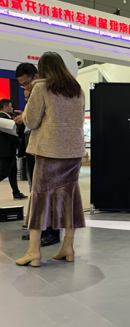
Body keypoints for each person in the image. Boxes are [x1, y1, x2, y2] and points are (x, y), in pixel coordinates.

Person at [15, 52, 86, 267]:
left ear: (42, 69)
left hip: (49, 151)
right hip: (73, 152)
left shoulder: (41, 87)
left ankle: (33, 252)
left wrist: (26, 107)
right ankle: (68, 248)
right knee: (69, 198)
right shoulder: (77, 89)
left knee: (40, 198)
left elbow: (31, 121)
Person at [14, 63, 61, 247]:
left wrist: (25, 117)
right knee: (36, 190)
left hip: (45, 147)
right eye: (22, 85)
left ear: (36, 76)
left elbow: (35, 120)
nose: (25, 87)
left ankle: (52, 231)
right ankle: (39, 229)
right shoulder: (35, 93)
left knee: (47, 191)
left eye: (26, 83)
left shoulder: (47, 91)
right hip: (33, 145)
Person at [0, 99, 27, 200]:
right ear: (5, 107)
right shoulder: (4, 118)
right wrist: (20, 144)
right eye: (10, 106)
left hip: (7, 150)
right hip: (6, 150)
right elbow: (11, 135)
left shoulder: (6, 118)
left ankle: (16, 192)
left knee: (12, 172)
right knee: (4, 172)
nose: (12, 108)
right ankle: (16, 192)